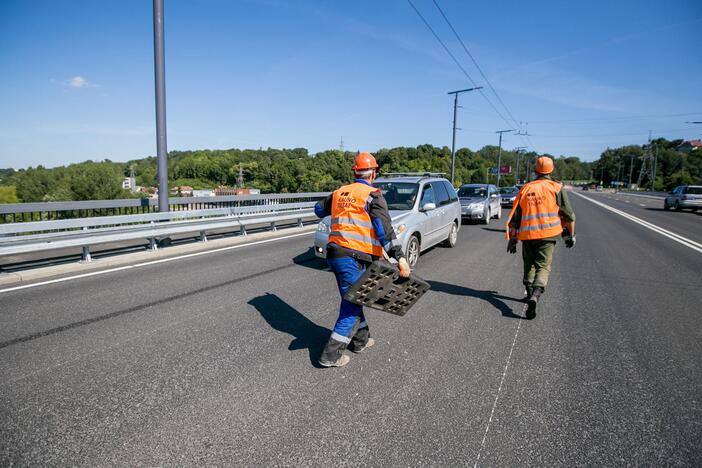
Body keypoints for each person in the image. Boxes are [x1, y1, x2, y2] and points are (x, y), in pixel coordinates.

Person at [314, 151, 411, 367]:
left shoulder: (339, 193)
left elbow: (318, 210)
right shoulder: (373, 196)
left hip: (335, 255)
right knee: (351, 304)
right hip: (354, 258)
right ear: (373, 173)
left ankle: (361, 341)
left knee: (356, 298)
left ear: (355, 172)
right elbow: (385, 232)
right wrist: (400, 259)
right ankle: (330, 356)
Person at [506, 156, 576, 319]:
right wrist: (570, 236)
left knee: (529, 264)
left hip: (528, 235)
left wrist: (513, 238)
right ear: (551, 170)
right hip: (549, 235)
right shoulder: (556, 188)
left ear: (536, 171)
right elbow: (569, 215)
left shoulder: (526, 189)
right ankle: (536, 295)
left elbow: (516, 217)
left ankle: (529, 292)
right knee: (543, 266)